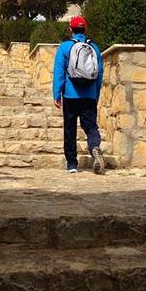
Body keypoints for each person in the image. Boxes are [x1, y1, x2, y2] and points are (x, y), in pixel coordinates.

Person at [53, 16, 104, 174]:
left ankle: (72, 165)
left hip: (70, 94)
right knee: (90, 126)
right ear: (85, 29)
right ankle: (94, 146)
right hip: (89, 94)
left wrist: (57, 94)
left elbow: (59, 72)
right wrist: (96, 93)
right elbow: (99, 73)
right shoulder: (94, 47)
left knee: (70, 129)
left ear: (71, 29)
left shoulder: (65, 47)